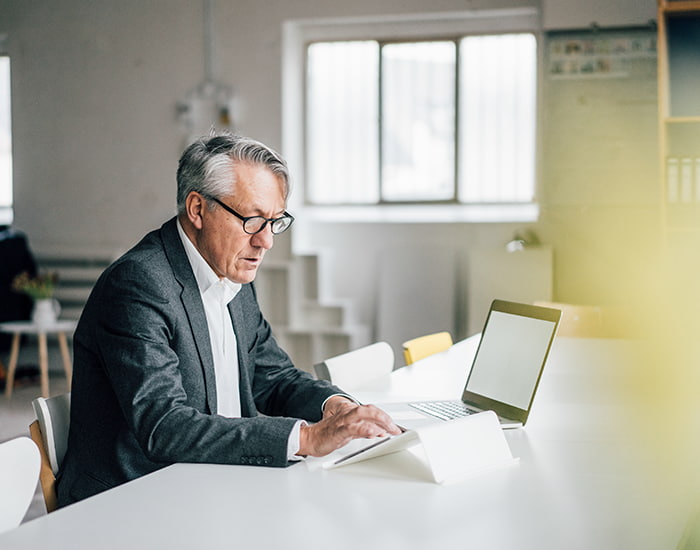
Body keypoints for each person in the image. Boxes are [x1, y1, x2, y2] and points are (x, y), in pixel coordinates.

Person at [56, 133, 399, 507]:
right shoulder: (137, 284)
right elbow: (163, 426)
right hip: (132, 498)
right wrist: (306, 438)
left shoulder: (231, 274)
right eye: (253, 220)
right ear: (197, 209)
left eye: (275, 221)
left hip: (216, 479)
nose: (266, 241)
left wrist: (334, 406)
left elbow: (273, 377)